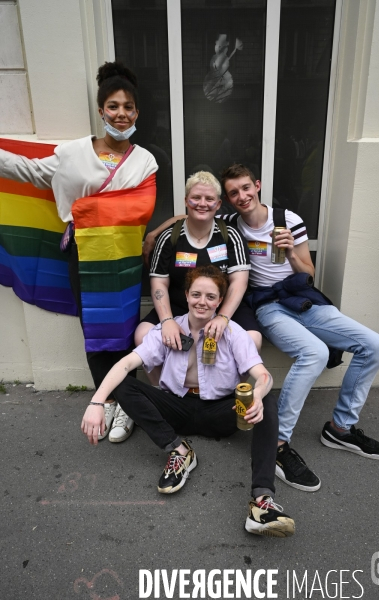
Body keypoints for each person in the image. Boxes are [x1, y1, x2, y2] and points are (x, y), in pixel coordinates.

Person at [0, 61, 158, 443]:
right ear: (101, 110)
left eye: (129, 108)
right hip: (82, 256)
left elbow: (141, 208)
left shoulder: (145, 160)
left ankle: (126, 408)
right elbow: (30, 172)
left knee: (123, 332)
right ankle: (107, 401)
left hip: (122, 258)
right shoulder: (71, 153)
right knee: (94, 331)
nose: (121, 114)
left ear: (137, 113)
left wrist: (89, 209)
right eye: (114, 106)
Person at [81, 265, 295, 538]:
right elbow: (125, 364)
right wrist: (96, 403)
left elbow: (263, 375)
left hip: (220, 411)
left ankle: (262, 503)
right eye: (196, 294)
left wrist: (258, 395)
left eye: (210, 297)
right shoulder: (168, 330)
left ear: (220, 301)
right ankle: (179, 451)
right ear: (186, 295)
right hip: (176, 408)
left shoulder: (234, 333)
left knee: (269, 401)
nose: (202, 302)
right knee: (122, 382)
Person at [219, 164, 379, 492]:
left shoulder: (287, 220)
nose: (241, 196)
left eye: (245, 188)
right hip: (267, 306)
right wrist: (157, 232)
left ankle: (341, 429)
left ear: (257, 185)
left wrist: (291, 257)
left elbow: (307, 271)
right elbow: (189, 215)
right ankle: (277, 444)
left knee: (375, 344)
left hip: (299, 297)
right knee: (314, 353)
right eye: (233, 193)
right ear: (228, 199)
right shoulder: (230, 224)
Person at [135, 170, 262, 385]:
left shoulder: (230, 236)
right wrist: (166, 321)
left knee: (253, 339)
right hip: (179, 306)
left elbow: (239, 283)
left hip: (222, 307)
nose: (202, 204)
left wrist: (223, 317)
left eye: (209, 199)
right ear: (186, 200)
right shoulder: (169, 237)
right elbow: (158, 283)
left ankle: (226, 393)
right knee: (143, 334)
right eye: (196, 198)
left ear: (219, 204)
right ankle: (164, 393)